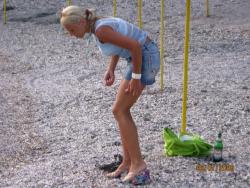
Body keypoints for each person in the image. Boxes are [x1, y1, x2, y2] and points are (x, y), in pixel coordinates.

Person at [60, 5, 160, 185]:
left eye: (72, 30)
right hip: (138, 57)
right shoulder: (99, 27)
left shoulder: (101, 30)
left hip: (144, 56)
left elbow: (135, 45)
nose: (71, 34)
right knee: (120, 110)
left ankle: (138, 164)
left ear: (82, 22)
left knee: (120, 110)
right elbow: (120, 45)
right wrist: (111, 69)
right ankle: (127, 162)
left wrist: (136, 78)